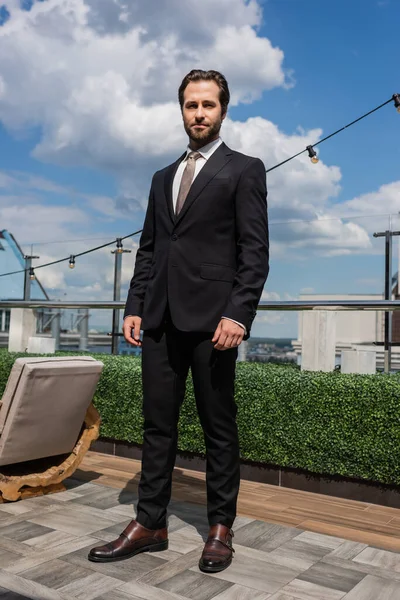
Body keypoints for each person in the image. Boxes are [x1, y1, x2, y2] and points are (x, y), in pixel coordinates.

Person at [88, 69, 269, 573]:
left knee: (218, 429)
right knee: (157, 427)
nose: (199, 114)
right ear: (182, 110)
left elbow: (254, 252)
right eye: (191, 105)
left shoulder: (245, 169)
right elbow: (150, 249)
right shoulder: (161, 177)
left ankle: (219, 529)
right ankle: (150, 523)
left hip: (216, 324)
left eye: (208, 105)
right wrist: (134, 305)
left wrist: (239, 312)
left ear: (223, 110)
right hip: (160, 321)